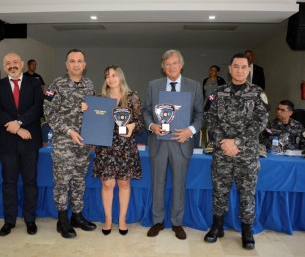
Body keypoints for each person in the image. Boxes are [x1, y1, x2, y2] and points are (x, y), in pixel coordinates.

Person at [204, 53, 268, 250]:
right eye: (236, 66)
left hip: (247, 154)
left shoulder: (257, 93)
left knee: (247, 193)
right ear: (230, 69)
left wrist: (237, 142)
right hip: (222, 152)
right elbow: (210, 119)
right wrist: (225, 142)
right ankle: (217, 226)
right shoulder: (219, 93)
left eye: (243, 67)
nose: (239, 70)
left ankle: (247, 230)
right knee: (220, 190)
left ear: (248, 69)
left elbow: (260, 121)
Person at [142, 49, 204, 240]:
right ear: (163, 67)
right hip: (158, 142)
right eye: (167, 64)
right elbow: (145, 111)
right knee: (157, 183)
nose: (171, 67)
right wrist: (152, 125)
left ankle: (177, 223)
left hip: (181, 142)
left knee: (179, 184)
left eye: (175, 63)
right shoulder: (154, 85)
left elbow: (200, 115)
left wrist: (190, 131)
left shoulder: (193, 86)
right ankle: (158, 221)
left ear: (181, 65)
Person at [82, 65, 144, 236]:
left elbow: (140, 124)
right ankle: (108, 219)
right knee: (107, 184)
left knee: (124, 183)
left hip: (125, 148)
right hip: (105, 148)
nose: (110, 78)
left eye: (114, 75)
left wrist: (132, 125)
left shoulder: (132, 97)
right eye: (107, 75)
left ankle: (122, 219)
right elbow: (92, 124)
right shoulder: (99, 99)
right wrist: (85, 112)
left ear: (121, 77)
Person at [43, 48, 96, 239]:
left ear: (84, 65)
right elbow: (49, 113)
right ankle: (62, 219)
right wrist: (69, 131)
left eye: (79, 61)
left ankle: (77, 216)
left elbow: (94, 114)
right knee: (62, 181)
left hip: (83, 143)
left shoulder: (89, 85)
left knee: (79, 181)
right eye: (72, 61)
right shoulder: (55, 85)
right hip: (64, 142)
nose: (76, 64)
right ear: (66, 64)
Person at [0, 52, 44, 237]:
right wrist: (17, 129)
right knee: (9, 182)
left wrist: (19, 122)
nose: (12, 65)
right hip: (7, 143)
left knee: (30, 182)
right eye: (8, 63)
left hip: (30, 141)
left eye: (15, 62)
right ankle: (9, 220)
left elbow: (38, 107)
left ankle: (30, 220)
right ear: (4, 66)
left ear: (21, 64)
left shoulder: (35, 83)